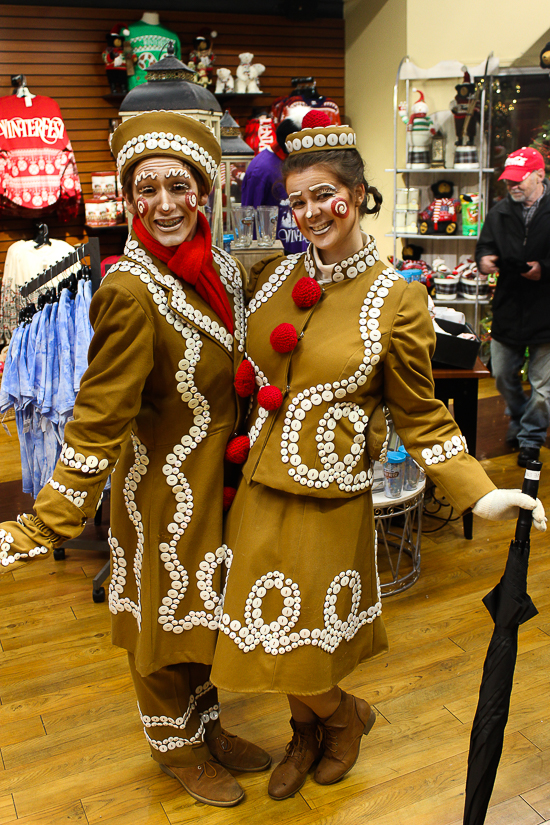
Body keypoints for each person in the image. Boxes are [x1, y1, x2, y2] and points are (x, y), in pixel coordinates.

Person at [210, 112, 547, 801]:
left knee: (304, 642)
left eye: (324, 195)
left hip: (329, 499)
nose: (309, 213)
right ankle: (315, 726)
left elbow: (420, 411)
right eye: (296, 200)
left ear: (359, 193)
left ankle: (337, 722)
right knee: (269, 636)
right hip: (258, 491)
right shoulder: (271, 278)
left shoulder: (399, 299)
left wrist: (479, 491)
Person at [0, 111, 270, 808]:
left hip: (216, 484)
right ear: (128, 200)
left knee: (201, 615)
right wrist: (44, 522)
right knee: (160, 623)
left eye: (178, 184)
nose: (163, 203)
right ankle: (173, 744)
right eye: (143, 189)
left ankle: (206, 725)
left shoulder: (220, 274)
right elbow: (97, 421)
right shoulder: (128, 291)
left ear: (204, 191)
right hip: (158, 495)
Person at [476, 146, 550, 467]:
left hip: (546, 311)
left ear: (540, 175)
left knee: (543, 386)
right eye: (509, 181)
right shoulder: (499, 212)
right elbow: (484, 245)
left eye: (519, 180)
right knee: (504, 376)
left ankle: (531, 437)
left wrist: (543, 269)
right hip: (507, 308)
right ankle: (520, 418)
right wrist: (485, 260)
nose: (513, 186)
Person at [241, 116, 309, 255]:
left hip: (302, 247)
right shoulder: (261, 170)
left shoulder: (298, 161)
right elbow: (250, 216)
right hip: (276, 252)